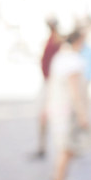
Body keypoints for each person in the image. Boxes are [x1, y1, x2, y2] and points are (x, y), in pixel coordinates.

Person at [47, 28, 91, 180]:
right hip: (67, 110)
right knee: (67, 148)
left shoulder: (61, 57)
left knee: (65, 147)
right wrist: (82, 114)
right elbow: (75, 91)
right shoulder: (73, 60)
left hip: (58, 107)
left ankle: (58, 178)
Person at [33, 17, 61, 159]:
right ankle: (43, 146)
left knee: (45, 114)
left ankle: (45, 146)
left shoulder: (56, 41)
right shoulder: (54, 40)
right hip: (49, 81)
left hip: (51, 82)